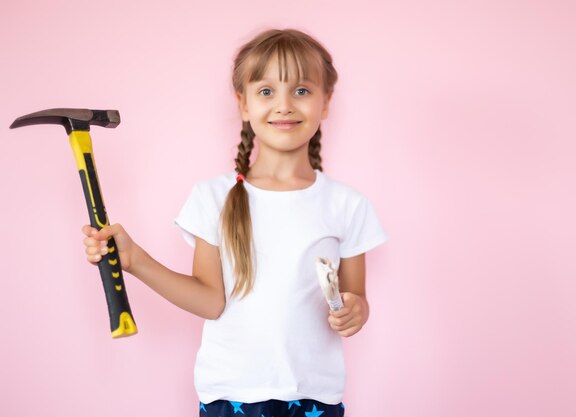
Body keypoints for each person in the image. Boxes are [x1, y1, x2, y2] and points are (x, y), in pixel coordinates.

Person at [82, 28, 388, 417]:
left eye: (301, 90)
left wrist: (355, 310)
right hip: (231, 394)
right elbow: (210, 301)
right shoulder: (212, 197)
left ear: (326, 102)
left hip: (315, 395)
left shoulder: (348, 205)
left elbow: (355, 299)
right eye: (266, 92)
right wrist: (134, 260)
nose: (284, 105)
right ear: (242, 103)